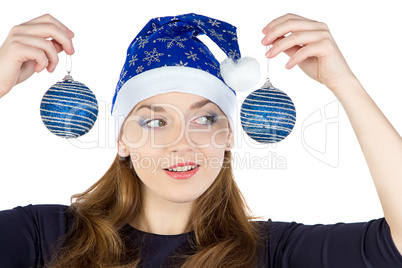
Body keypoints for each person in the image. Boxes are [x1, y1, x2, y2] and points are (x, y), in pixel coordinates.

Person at [0, 12, 401, 268]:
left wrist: (343, 83)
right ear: (122, 139)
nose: (183, 143)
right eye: (156, 122)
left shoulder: (273, 253)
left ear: (228, 134)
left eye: (205, 118)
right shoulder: (44, 237)